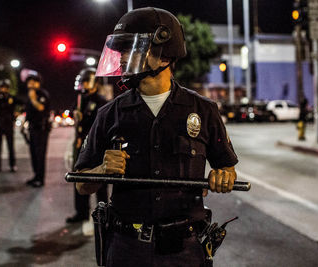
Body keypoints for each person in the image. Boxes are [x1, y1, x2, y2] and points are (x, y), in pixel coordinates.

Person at [74, 8, 238, 267]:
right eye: (122, 50)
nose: (124, 57)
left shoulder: (203, 111)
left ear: (164, 53)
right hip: (126, 248)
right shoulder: (109, 114)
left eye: (132, 48)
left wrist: (224, 176)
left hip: (185, 250)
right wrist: (103, 170)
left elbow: (226, 167)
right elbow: (81, 185)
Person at [66, 68, 108, 225]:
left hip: (96, 145)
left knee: (100, 181)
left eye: (86, 81)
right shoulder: (80, 99)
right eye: (82, 81)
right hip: (81, 144)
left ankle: (104, 212)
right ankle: (81, 211)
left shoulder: (100, 101)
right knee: (80, 177)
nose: (83, 84)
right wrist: (75, 115)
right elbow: (73, 113)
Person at [24, 73, 51, 188]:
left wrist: (33, 98)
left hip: (41, 129)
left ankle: (40, 179)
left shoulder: (42, 94)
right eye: (29, 82)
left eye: (33, 82)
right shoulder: (30, 95)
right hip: (33, 128)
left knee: (40, 155)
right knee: (34, 154)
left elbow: (41, 108)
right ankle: (36, 176)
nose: (30, 84)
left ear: (38, 83)